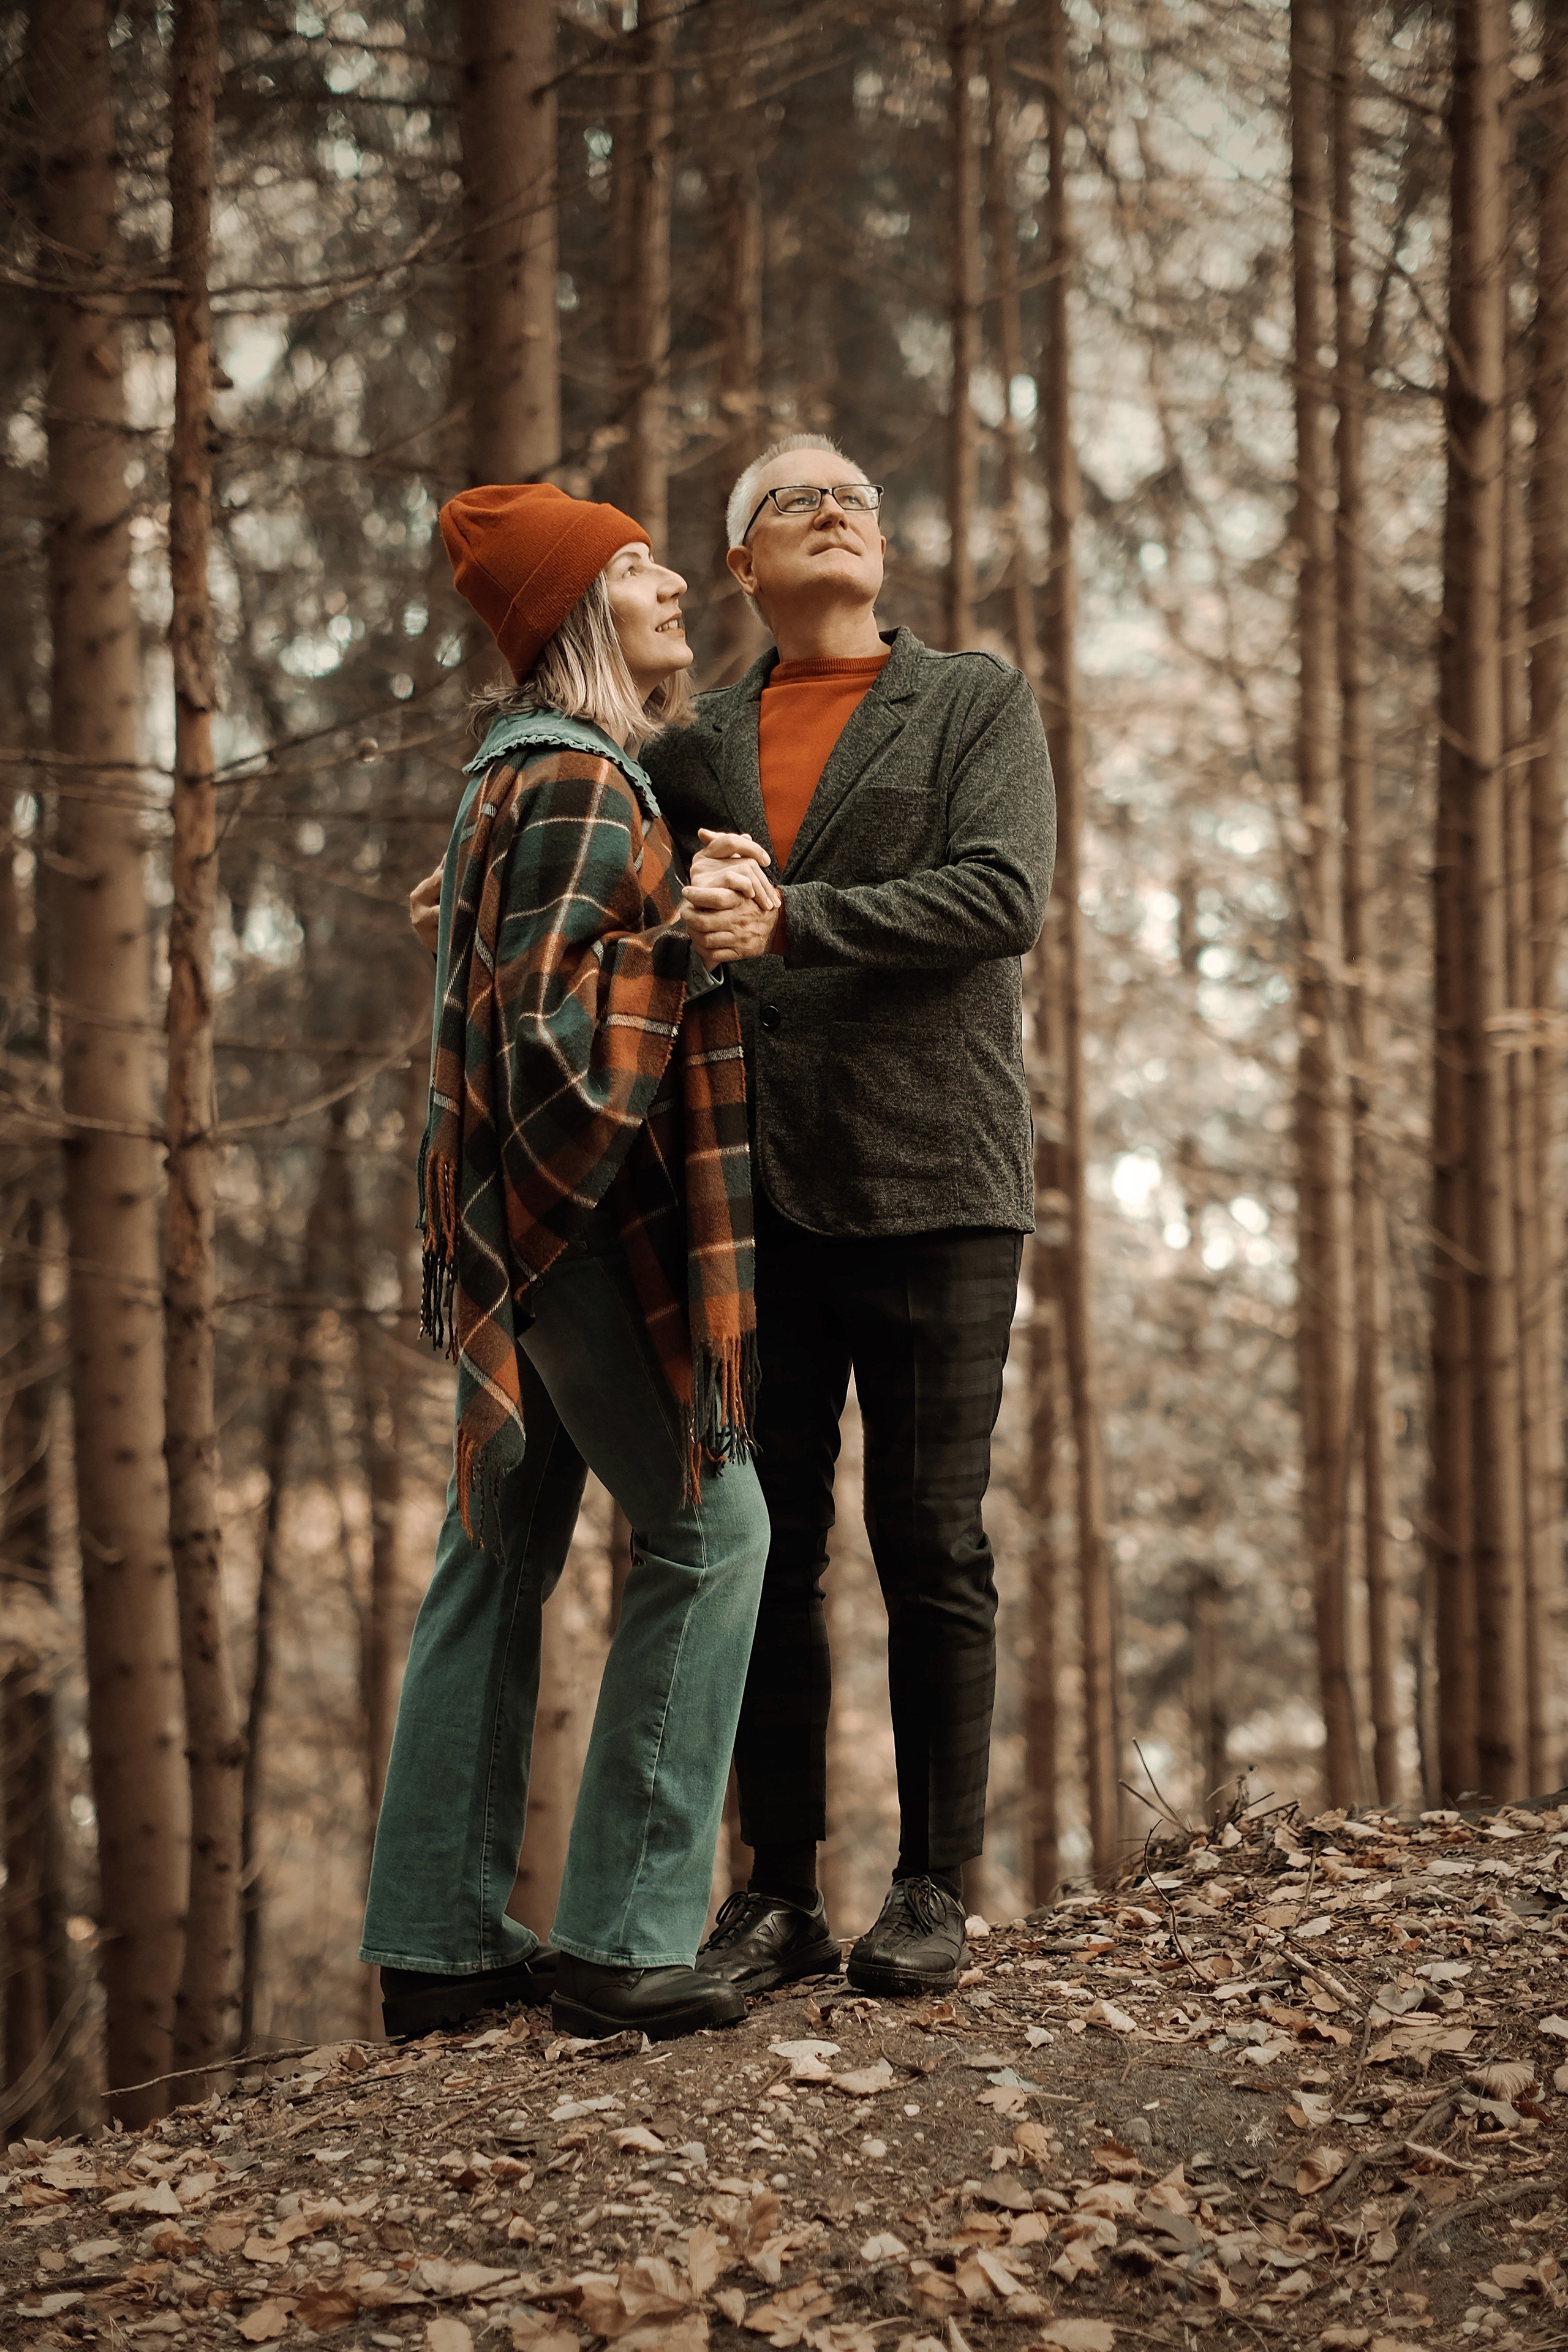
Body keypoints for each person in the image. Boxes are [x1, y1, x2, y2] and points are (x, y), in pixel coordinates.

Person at [364, 480, 780, 2046]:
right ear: (572, 614)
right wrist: (688, 928)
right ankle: (619, 1936)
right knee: (711, 1535)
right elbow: (555, 1046)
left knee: (497, 1550)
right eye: (633, 568)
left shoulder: (513, 778)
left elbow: (515, 985)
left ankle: (440, 1941)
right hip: (581, 1230)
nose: (673, 580)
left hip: (511, 1238)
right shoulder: (581, 782)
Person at [645, 433, 1055, 2000]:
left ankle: (936, 1888)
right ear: (743, 566)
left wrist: (789, 919)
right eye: (795, 501)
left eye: (858, 498)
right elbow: (626, 880)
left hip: (944, 1181)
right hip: (760, 1199)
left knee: (930, 1541)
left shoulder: (971, 702)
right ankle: (776, 1899)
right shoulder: (701, 743)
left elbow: (999, 897)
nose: (837, 510)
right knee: (773, 1549)